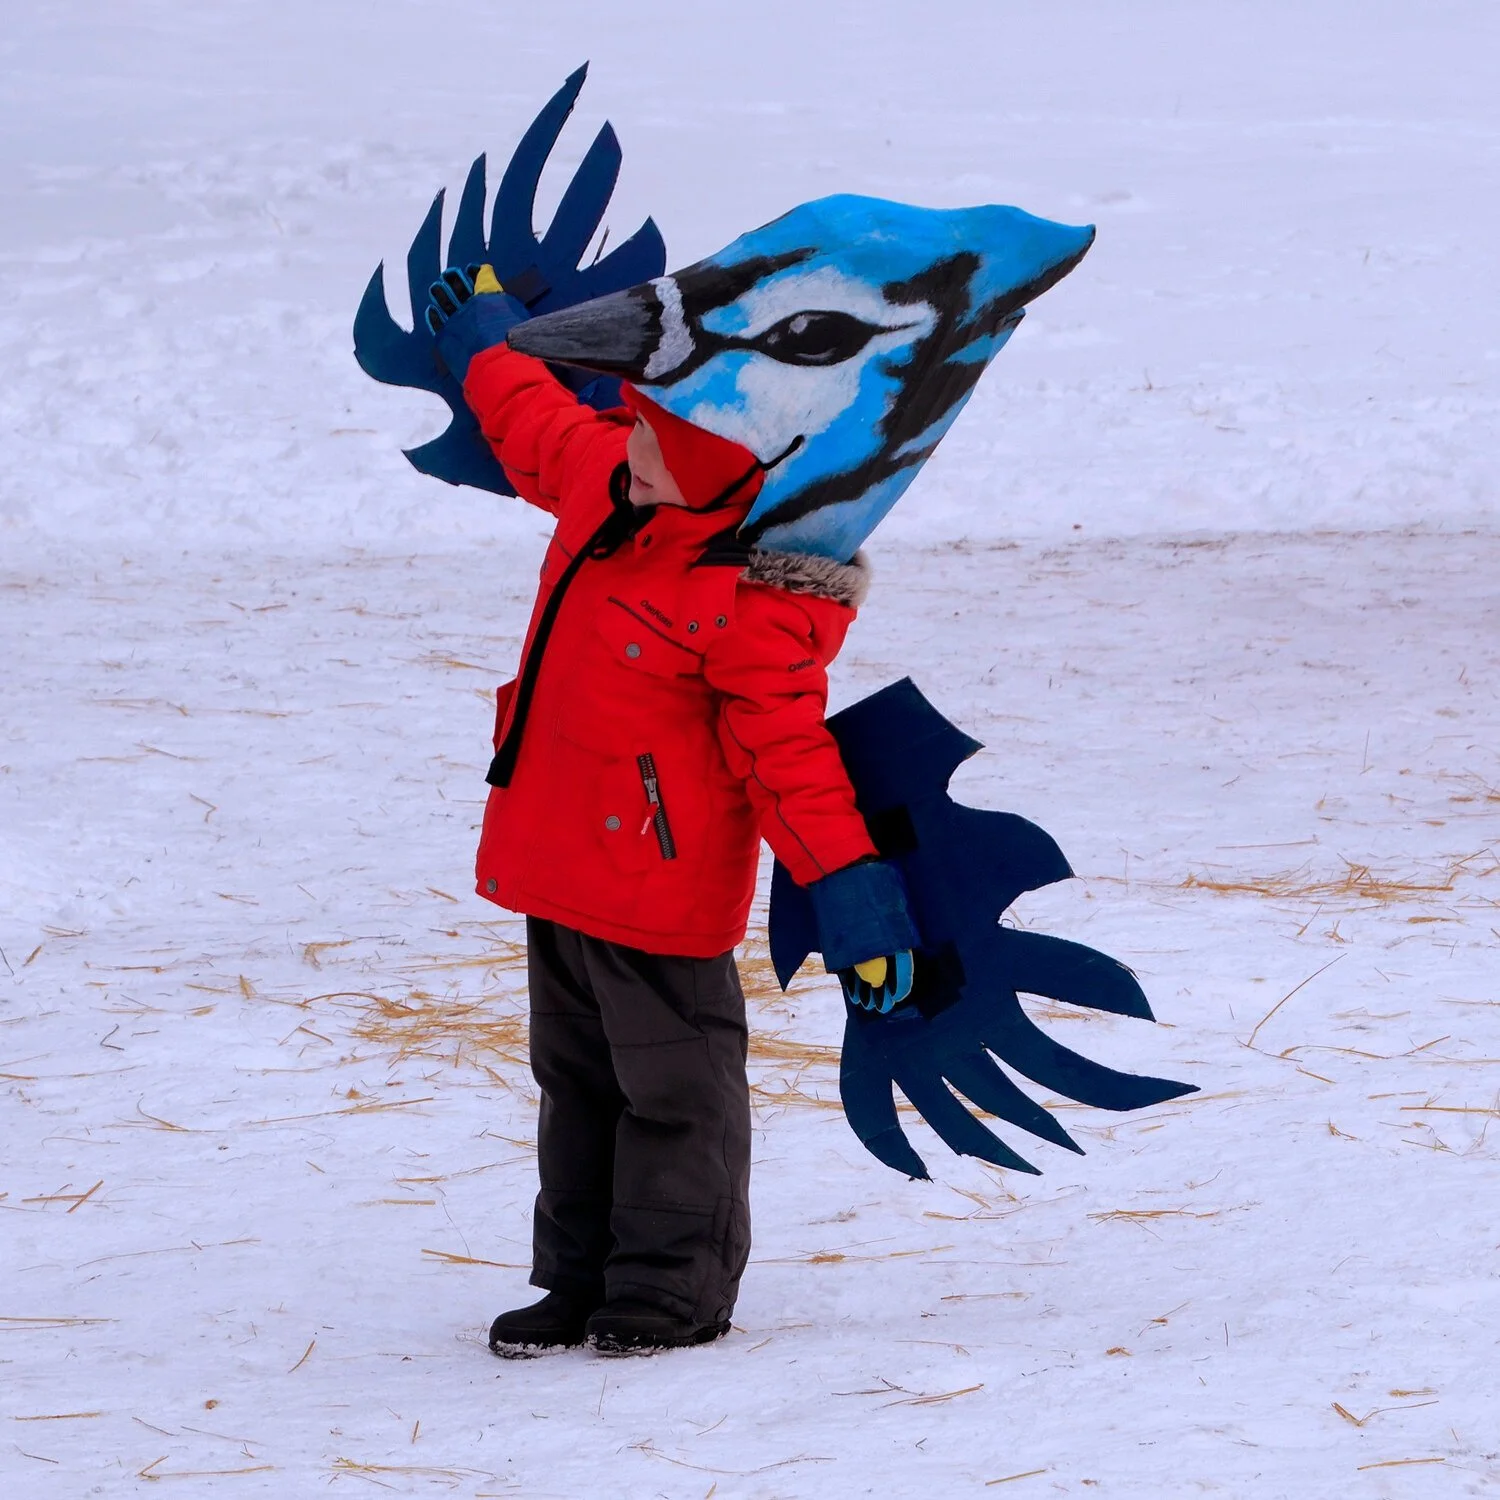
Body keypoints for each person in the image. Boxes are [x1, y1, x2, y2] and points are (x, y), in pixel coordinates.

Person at [425, 265, 918, 1357]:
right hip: (553, 864)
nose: (624, 441)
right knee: (576, 1083)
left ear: (717, 464)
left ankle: (668, 1288)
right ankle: (575, 1277)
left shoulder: (752, 603)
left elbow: (790, 759)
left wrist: (854, 897)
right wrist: (494, 340)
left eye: (652, 437)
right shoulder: (617, 487)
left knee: (674, 1095)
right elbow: (540, 421)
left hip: (659, 889)